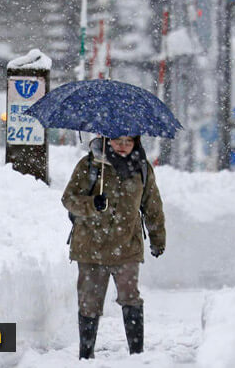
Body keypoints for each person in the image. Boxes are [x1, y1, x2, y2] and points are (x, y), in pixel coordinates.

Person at [62, 135, 166, 359]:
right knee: (89, 302)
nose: (122, 146)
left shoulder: (142, 168)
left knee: (131, 298)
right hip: (90, 247)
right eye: (117, 141)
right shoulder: (89, 165)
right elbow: (68, 199)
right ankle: (86, 355)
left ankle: (137, 354)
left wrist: (158, 239)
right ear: (107, 140)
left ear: (135, 143)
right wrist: (91, 204)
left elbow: (152, 205)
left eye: (128, 141)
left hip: (127, 246)